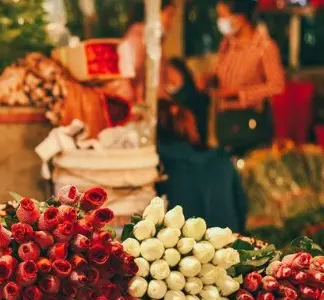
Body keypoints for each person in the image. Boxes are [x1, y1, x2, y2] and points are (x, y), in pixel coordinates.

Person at [156, 98, 247, 232]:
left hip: (185, 245)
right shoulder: (221, 158)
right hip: (228, 240)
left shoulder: (159, 163)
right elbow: (241, 205)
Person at [211, 0, 285, 156]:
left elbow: (277, 86)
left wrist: (240, 93)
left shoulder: (264, 47)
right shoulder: (227, 45)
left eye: (224, 16)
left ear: (241, 17)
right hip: (225, 120)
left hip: (250, 123)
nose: (221, 21)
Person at [113, 0, 177, 103]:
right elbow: (126, 80)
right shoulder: (137, 40)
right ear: (154, 13)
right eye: (169, 15)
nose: (171, 22)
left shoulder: (152, 42)